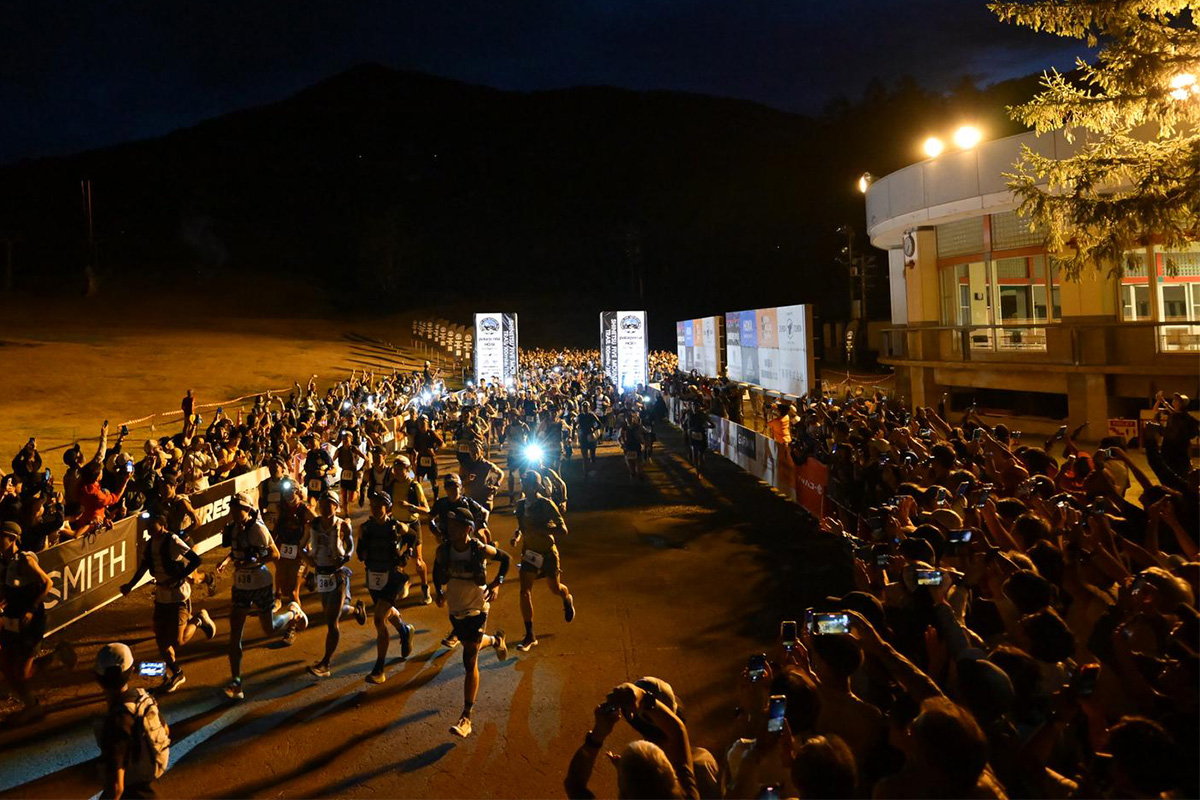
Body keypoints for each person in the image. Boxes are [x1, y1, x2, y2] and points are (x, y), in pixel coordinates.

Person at [215, 492, 308, 701]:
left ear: (248, 510)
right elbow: (238, 550)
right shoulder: (233, 528)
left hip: (260, 582)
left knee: (270, 628)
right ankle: (236, 684)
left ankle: (292, 613)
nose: (234, 512)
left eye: (238, 509)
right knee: (234, 635)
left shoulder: (257, 529)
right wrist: (226, 561)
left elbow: (275, 554)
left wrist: (253, 562)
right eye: (232, 508)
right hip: (241, 584)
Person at [432, 507, 510, 738]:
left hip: (478, 607)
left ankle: (466, 716)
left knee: (469, 658)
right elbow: (436, 570)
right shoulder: (444, 550)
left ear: (468, 528)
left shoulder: (479, 549)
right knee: (469, 644)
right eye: (449, 524)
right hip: (456, 608)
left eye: (456, 525)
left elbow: (506, 559)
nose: (450, 529)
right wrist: (438, 590)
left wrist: (497, 583)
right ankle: (495, 640)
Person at [120, 509, 217, 694]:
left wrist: (177, 578)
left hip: (179, 597)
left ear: (162, 526)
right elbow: (144, 567)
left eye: (152, 525)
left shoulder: (172, 540)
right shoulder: (149, 544)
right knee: (161, 639)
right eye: (147, 525)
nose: (148, 528)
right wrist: (130, 586)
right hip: (161, 598)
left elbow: (196, 560)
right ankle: (177, 673)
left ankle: (199, 619)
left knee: (178, 641)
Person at [565, 681, 700, 799]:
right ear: (673, 776)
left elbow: (574, 785)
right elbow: (677, 731)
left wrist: (598, 734)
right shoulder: (687, 796)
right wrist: (643, 697)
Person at [93, 643, 170, 800]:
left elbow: (116, 788)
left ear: (98, 679)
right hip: (149, 788)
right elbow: (166, 730)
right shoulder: (143, 699)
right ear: (131, 671)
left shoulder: (116, 723)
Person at [302, 492, 367, 678]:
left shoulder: (342, 525)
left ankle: (326, 663)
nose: (324, 507)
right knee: (330, 612)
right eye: (322, 503)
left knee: (332, 621)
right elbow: (302, 546)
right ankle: (356, 610)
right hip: (321, 574)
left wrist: (344, 558)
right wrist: (307, 559)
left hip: (337, 574)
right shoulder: (312, 525)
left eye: (329, 504)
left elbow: (350, 546)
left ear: (336, 506)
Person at [511, 471, 575, 652]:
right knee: (524, 592)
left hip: (547, 553)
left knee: (555, 588)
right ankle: (530, 635)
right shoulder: (521, 505)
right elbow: (520, 527)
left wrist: (543, 530)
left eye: (528, 482)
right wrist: (516, 537)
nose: (524, 485)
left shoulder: (546, 504)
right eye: (523, 481)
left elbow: (563, 530)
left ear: (536, 486)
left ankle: (566, 597)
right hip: (529, 554)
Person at [357, 490, 416, 684]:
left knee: (379, 618)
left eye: (379, 504)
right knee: (387, 612)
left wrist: (407, 554)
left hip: (392, 576)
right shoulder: (365, 528)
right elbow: (360, 553)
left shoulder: (396, 526)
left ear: (388, 507)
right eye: (372, 504)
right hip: (374, 577)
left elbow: (413, 536)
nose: (374, 508)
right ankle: (405, 631)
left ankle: (379, 668)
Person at [0, 520, 50, 722]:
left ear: (12, 539)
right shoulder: (4, 562)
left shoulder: (26, 560)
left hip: (31, 622)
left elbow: (47, 582)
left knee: (20, 671)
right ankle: (28, 702)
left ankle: (33, 707)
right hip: (13, 619)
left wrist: (31, 609)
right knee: (7, 663)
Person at [388, 455, 432, 604]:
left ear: (407, 469)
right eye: (395, 469)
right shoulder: (392, 485)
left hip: (412, 525)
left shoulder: (414, 486)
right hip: (397, 525)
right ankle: (403, 581)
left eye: (400, 469)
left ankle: (425, 587)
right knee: (394, 561)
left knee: (418, 561)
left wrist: (410, 507)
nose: (397, 472)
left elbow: (427, 510)